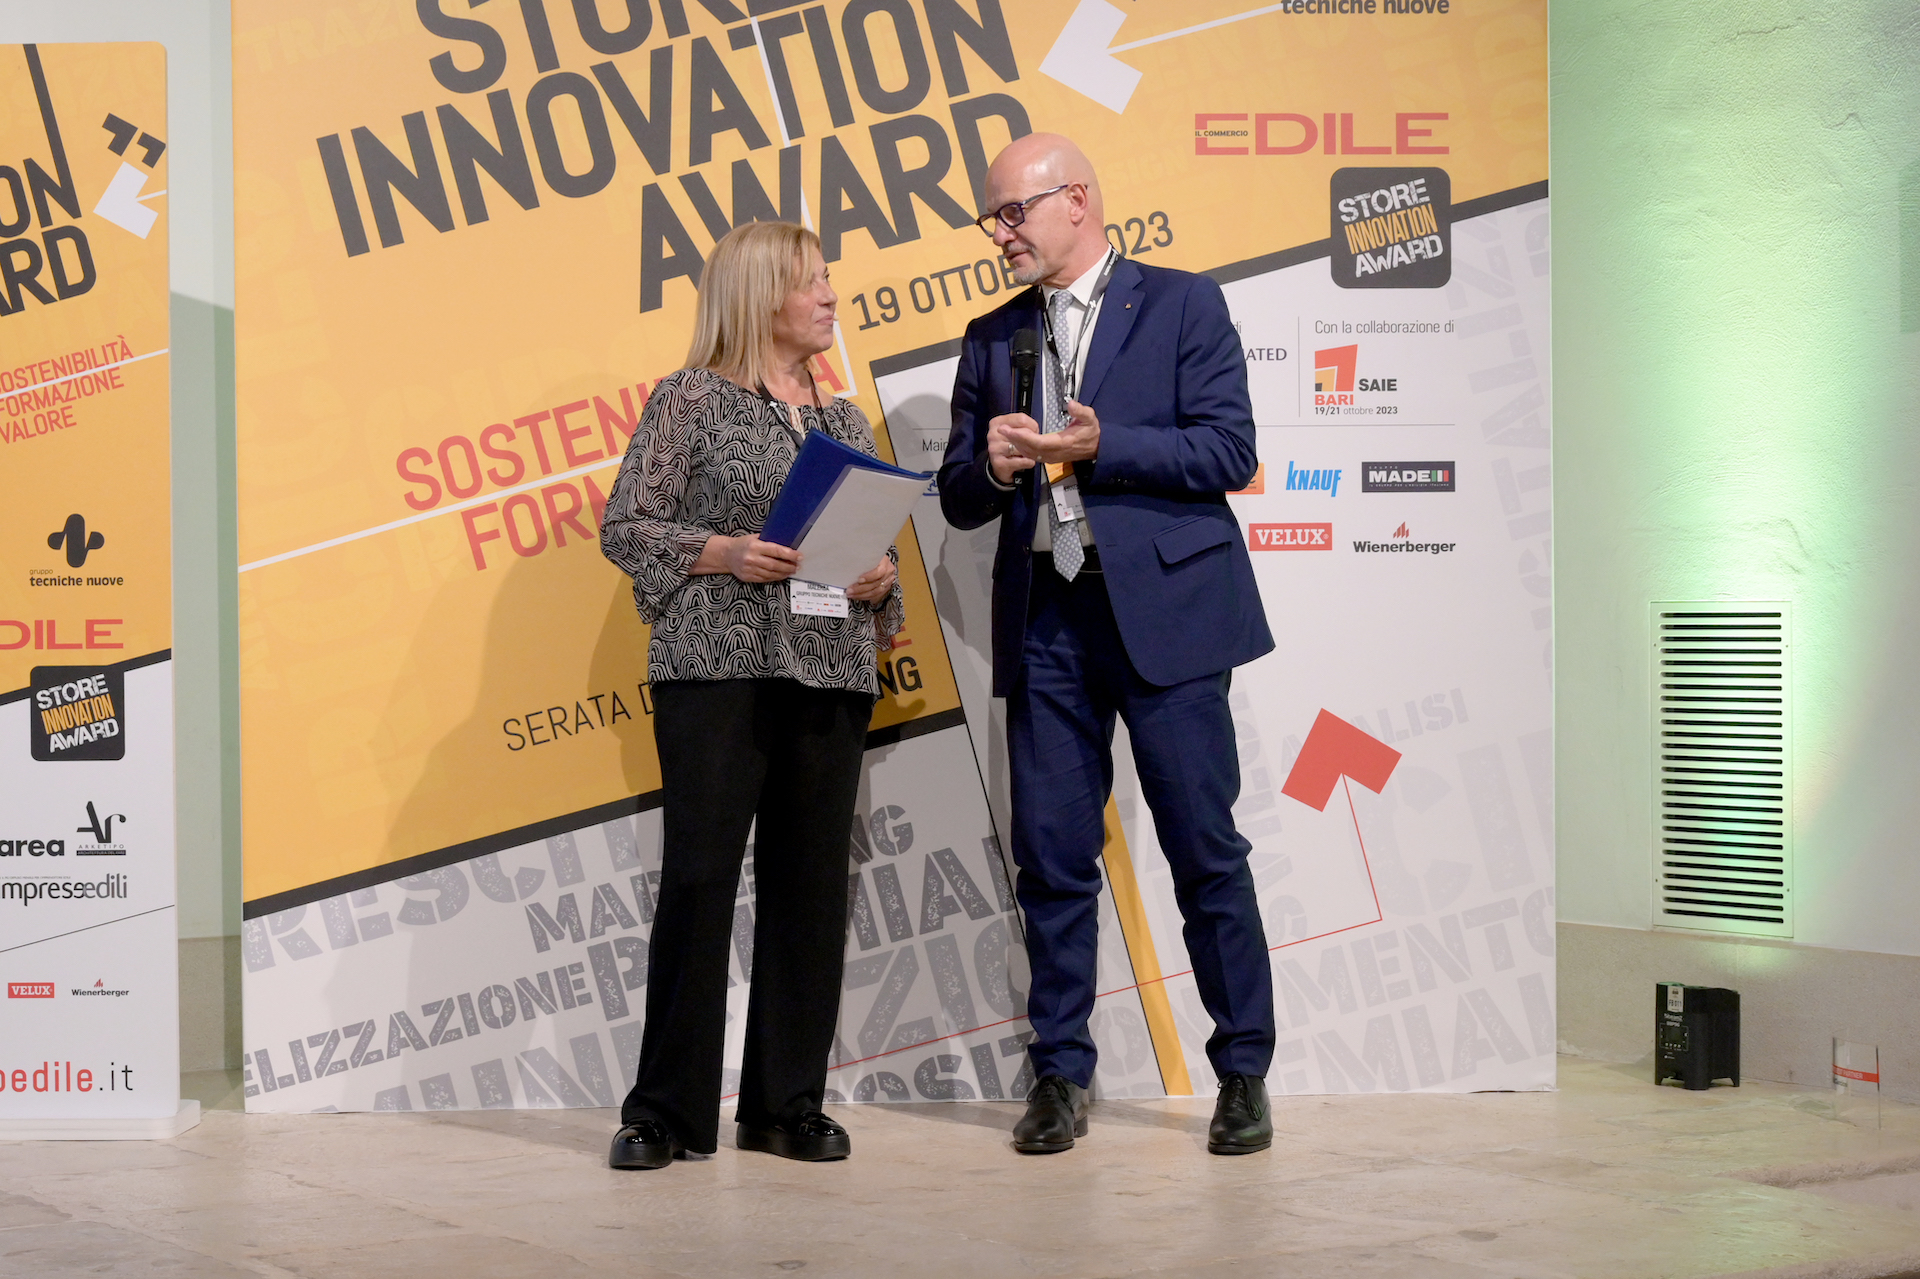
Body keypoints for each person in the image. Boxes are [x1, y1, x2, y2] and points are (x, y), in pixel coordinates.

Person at [937, 134, 1277, 1156]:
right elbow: (958, 496)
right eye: (993, 217)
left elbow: (1229, 449)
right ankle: (1058, 1073)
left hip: (1168, 618)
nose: (999, 234)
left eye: (1012, 212)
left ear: (1075, 200)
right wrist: (994, 468)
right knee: (1051, 859)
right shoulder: (992, 335)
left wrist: (1103, 446)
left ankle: (1244, 1071)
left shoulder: (1181, 304)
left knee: (1203, 850)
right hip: (1046, 620)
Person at [599, 220, 902, 1170]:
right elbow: (626, 524)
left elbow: (877, 557)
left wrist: (880, 579)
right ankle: (664, 1111)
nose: (830, 295)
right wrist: (720, 550)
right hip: (716, 668)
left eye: (828, 280)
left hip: (830, 669)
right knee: (699, 880)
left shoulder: (845, 422)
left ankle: (786, 1104)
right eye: (812, 281)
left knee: (810, 889)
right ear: (761, 295)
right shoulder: (689, 398)